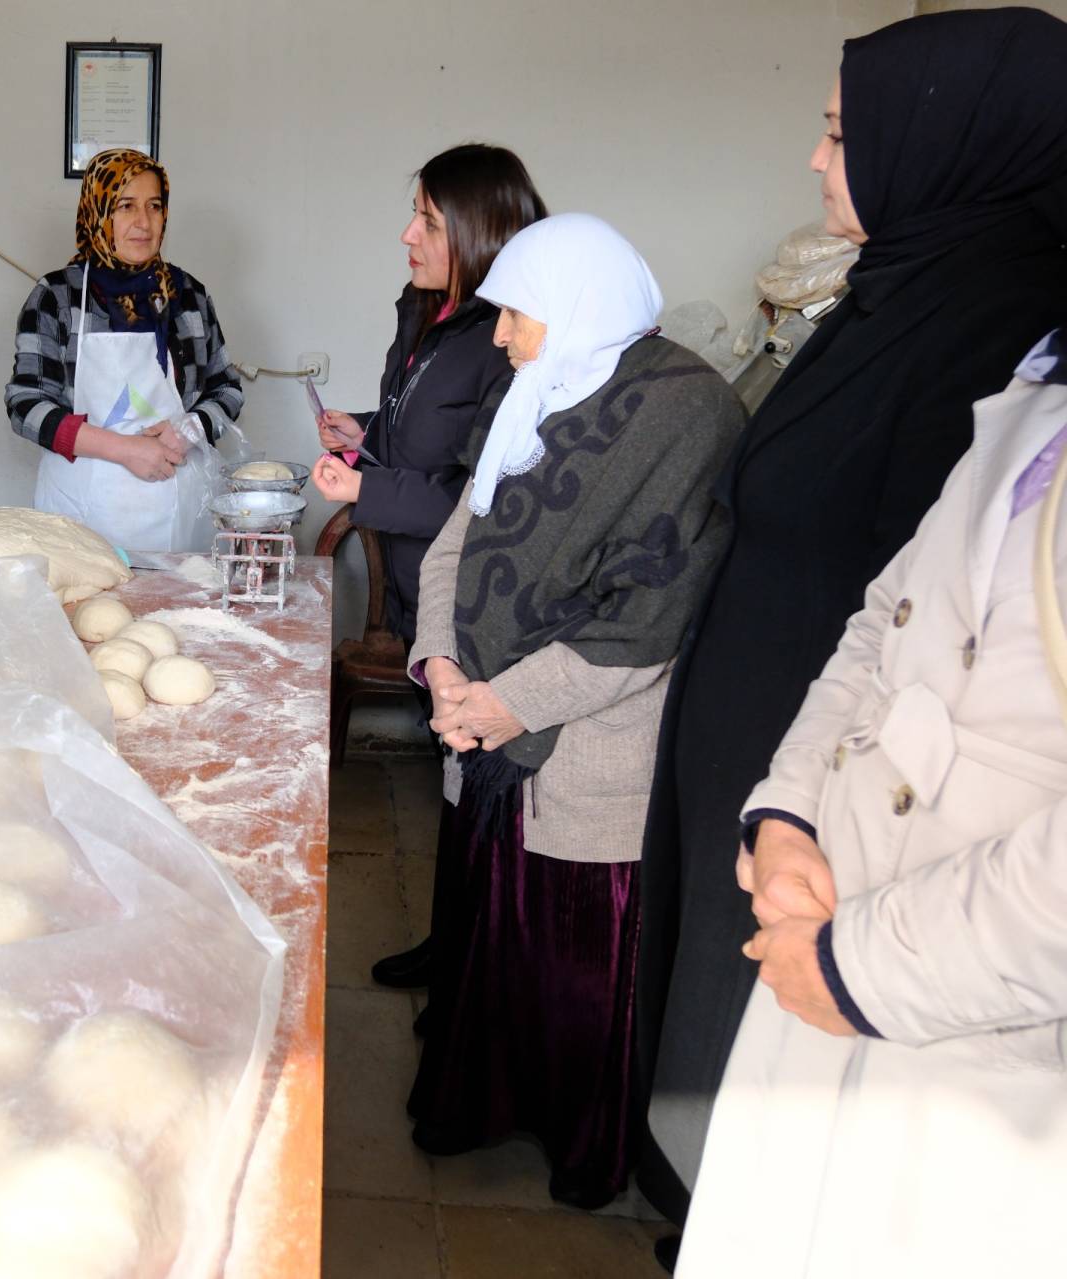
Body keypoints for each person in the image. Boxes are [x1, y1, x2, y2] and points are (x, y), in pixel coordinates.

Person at [635, 6, 1067, 1238]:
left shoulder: (988, 322)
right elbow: (893, 602)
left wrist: (809, 818)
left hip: (899, 877)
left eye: (840, 131)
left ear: (946, 144)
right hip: (794, 774)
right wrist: (781, 802)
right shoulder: (910, 302)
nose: (817, 158)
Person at [677, 326, 1067, 1278]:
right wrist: (788, 812)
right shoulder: (1041, 385)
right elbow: (879, 626)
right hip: (826, 923)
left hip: (972, 1017)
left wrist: (862, 968)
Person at [407, 214, 747, 1209]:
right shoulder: (535, 388)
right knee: (492, 954)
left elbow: (652, 615)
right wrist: (441, 666)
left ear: (579, 306)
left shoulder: (686, 412)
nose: (501, 335)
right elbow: (457, 541)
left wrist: (506, 703)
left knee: (573, 975)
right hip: (483, 730)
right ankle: (478, 1104)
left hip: (585, 748)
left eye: (518, 314)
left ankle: (576, 1143)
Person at [307, 143, 546, 991]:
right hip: (421, 594)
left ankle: (480, 966)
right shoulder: (425, 311)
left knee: (485, 791)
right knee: (454, 785)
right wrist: (365, 432)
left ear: (480, 232)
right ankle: (453, 944)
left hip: (478, 606)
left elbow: (481, 497)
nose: (408, 235)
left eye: (429, 221)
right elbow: (420, 433)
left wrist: (364, 491)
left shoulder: (507, 340)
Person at [7, 148, 244, 552]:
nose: (143, 222)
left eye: (154, 206)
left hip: (179, 508)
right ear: (98, 212)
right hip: (82, 510)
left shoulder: (188, 296)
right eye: (125, 206)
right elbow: (25, 405)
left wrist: (190, 430)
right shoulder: (57, 297)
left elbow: (227, 389)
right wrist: (125, 449)